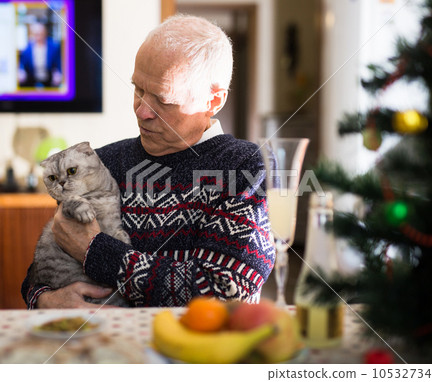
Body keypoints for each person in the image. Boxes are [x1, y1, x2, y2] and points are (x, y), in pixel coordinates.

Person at [22, 15, 275, 309]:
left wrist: (95, 251)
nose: (141, 111)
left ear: (213, 100)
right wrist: (44, 300)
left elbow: (225, 293)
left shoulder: (241, 166)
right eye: (138, 89)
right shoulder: (102, 162)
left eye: (163, 100)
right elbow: (39, 272)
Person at [18, 22, 62, 88]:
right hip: (31, 81)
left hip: (49, 81)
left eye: (41, 33)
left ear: (45, 33)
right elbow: (22, 64)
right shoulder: (27, 48)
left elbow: (59, 64)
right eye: (36, 34)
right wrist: (21, 71)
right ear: (32, 34)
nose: (39, 36)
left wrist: (58, 73)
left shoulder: (54, 47)